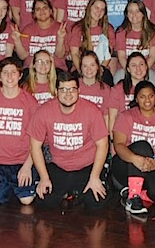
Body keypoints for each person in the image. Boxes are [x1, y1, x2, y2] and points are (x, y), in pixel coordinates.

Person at [28, 74, 109, 209]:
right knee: (45, 201)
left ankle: (77, 191)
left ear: (79, 91)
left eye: (72, 89)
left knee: (97, 203)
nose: (68, 94)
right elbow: (35, 146)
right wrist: (44, 177)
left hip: (86, 166)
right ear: (56, 91)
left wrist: (94, 177)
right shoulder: (44, 111)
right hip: (58, 165)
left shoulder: (92, 110)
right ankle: (69, 191)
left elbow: (103, 144)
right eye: (63, 90)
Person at [0, 57, 40, 206]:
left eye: (13, 72)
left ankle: (11, 187)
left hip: (22, 161)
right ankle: (4, 186)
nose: (9, 76)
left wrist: (27, 166)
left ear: (20, 75)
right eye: (5, 72)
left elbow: (36, 139)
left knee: (27, 200)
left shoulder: (30, 101)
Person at [111, 81, 155, 214]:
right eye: (142, 96)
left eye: (151, 96)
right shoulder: (126, 116)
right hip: (125, 165)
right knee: (143, 146)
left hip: (151, 165)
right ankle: (133, 197)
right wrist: (134, 159)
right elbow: (118, 145)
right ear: (136, 98)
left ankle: (136, 190)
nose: (147, 100)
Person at [114, 0, 155, 84]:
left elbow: (152, 57)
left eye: (137, 11)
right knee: (118, 80)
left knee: (151, 82)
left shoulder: (153, 32)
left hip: (147, 69)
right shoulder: (121, 32)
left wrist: (142, 71)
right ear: (126, 15)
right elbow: (121, 57)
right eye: (130, 12)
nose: (134, 15)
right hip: (126, 69)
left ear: (143, 13)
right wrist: (131, 72)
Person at [69, 0, 115, 79]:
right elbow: (74, 54)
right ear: (89, 8)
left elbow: (108, 55)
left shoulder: (108, 29)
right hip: (81, 69)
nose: (99, 12)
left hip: (101, 69)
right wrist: (82, 70)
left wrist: (98, 70)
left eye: (102, 9)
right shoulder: (78, 28)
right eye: (96, 8)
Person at [17, 0, 66, 69]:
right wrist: (16, 40)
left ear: (51, 11)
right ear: (34, 13)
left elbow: (60, 55)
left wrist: (61, 38)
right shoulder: (27, 30)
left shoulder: (60, 29)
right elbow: (22, 56)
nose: (42, 11)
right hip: (32, 69)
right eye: (38, 9)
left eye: (45, 8)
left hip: (55, 69)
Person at [76, 50, 116, 131]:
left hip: (97, 131)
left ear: (98, 67)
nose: (89, 69)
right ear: (80, 68)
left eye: (92, 65)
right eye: (85, 66)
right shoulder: (74, 86)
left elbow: (106, 117)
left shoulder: (105, 89)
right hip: (77, 129)